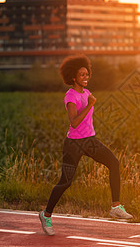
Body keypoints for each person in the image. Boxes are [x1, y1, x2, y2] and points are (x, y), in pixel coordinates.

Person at [39, 54, 132, 235]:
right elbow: (73, 122)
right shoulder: (71, 95)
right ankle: (46, 214)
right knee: (65, 182)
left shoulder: (87, 93)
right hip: (74, 145)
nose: (86, 77)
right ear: (73, 77)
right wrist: (89, 105)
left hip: (89, 141)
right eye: (82, 75)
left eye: (87, 74)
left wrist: (89, 102)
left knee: (114, 163)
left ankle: (115, 206)